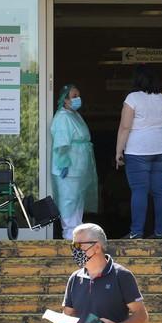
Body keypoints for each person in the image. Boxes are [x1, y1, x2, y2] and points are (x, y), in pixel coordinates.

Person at [115, 65, 162, 239]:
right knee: (160, 190)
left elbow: (125, 127)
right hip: (161, 148)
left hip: (139, 149)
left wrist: (118, 151)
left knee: (139, 190)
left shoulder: (133, 98)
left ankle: (136, 232)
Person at [51, 84, 99, 239]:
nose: (78, 99)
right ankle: (68, 234)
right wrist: (63, 163)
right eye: (74, 96)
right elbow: (61, 144)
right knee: (68, 200)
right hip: (69, 167)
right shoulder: (63, 117)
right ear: (65, 100)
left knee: (77, 200)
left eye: (79, 95)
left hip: (78, 166)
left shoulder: (74, 115)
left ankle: (76, 233)